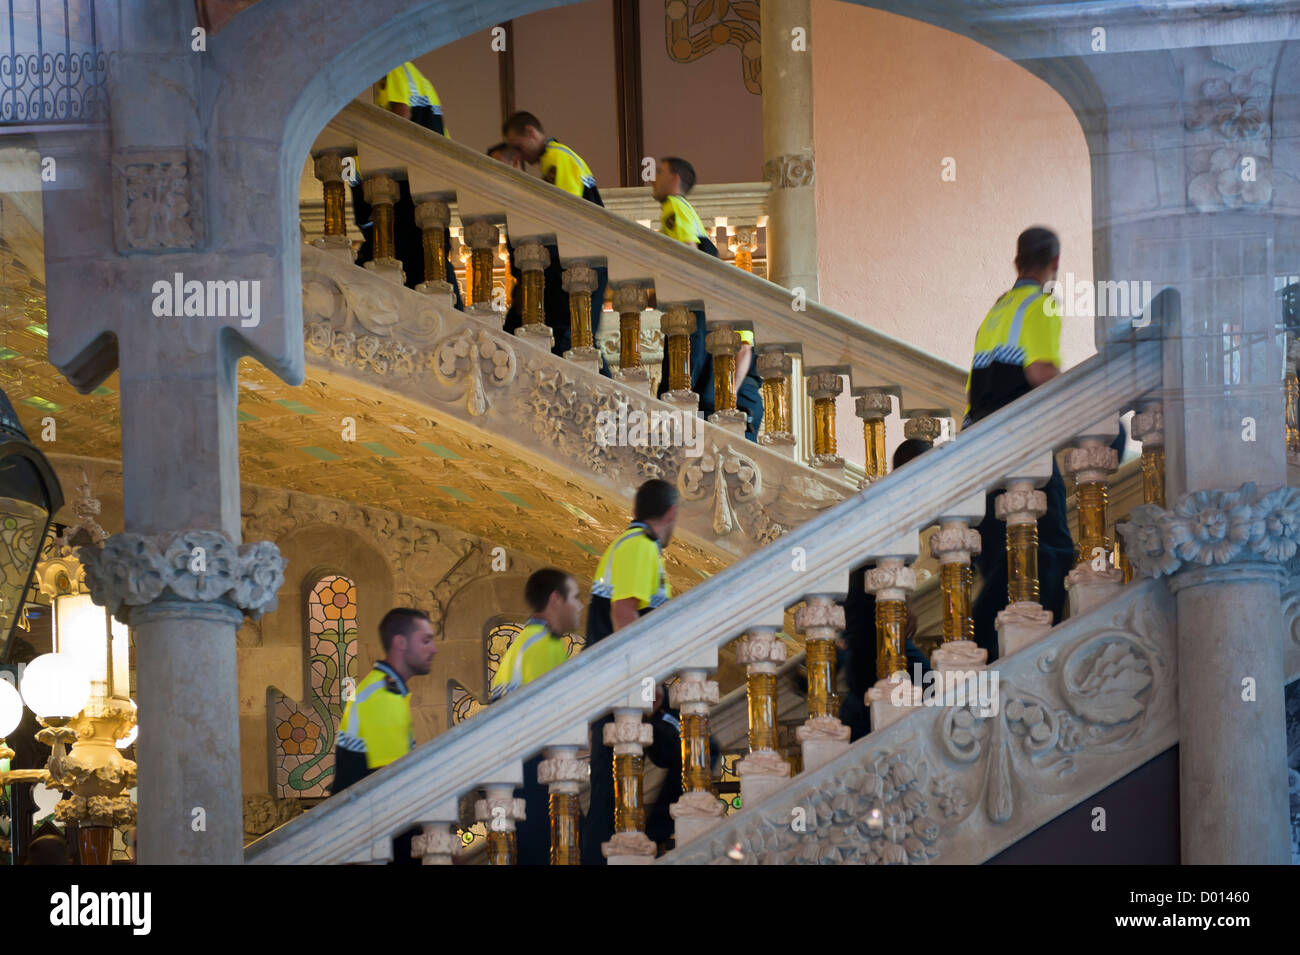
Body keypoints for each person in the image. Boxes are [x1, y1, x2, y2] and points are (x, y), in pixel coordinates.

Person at [965, 227, 1075, 663]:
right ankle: (1030, 642)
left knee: (998, 553)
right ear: (1055, 264)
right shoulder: (1041, 303)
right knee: (1052, 546)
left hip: (980, 440)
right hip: (1020, 439)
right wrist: (1084, 394)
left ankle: (985, 644)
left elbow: (974, 389)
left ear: (1016, 263)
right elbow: (1039, 371)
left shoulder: (997, 309)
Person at [580, 479, 680, 863]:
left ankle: (648, 839)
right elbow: (623, 614)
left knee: (609, 794)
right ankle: (652, 838)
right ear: (670, 513)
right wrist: (646, 681)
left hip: (613, 686)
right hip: (623, 686)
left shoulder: (625, 544)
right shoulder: (641, 546)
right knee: (697, 751)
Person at [652, 157, 763, 441]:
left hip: (737, 391)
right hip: (718, 387)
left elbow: (689, 253)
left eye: (660, 172)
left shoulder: (674, 206)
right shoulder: (684, 211)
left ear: (675, 178)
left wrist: (729, 398)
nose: (653, 178)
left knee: (680, 382)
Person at [838, 439, 934, 741]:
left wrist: (905, 603)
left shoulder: (895, 502)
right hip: (872, 616)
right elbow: (875, 564)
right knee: (881, 691)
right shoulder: (892, 504)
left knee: (871, 691)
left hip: (875, 616)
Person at [487, 568, 584, 865]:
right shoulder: (543, 645)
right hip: (531, 773)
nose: (580, 606)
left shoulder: (528, 641)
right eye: (575, 597)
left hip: (514, 773)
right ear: (556, 600)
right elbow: (542, 723)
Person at [502, 112, 610, 370]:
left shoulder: (556, 158)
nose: (521, 155)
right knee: (578, 338)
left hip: (583, 263)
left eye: (518, 146)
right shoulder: (559, 157)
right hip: (587, 261)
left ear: (531, 132)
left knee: (576, 338)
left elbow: (560, 215)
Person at [351, 61, 463, 307]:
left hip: (409, 185)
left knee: (396, 256)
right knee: (428, 259)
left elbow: (399, 118)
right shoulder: (419, 80)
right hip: (427, 184)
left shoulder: (394, 69)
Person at [331, 607, 438, 865]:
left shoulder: (384, 689)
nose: (434, 649)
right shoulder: (381, 696)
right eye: (425, 640)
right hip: (375, 840)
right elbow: (395, 787)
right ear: (400, 642)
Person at [488, 141, 581, 368]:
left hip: (554, 292)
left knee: (567, 349)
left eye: (496, 164)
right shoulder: (512, 203)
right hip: (530, 295)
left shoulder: (537, 196)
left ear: (516, 162)